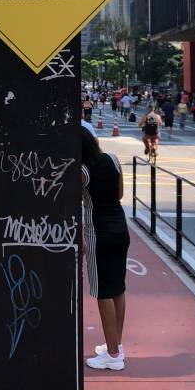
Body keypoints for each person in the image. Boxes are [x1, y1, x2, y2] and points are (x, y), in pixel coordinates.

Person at [81, 127, 129, 371]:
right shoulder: (113, 159)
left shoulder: (81, 171)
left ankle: (112, 355)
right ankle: (116, 346)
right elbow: (119, 193)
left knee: (102, 293)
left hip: (98, 233)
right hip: (120, 227)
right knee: (118, 288)